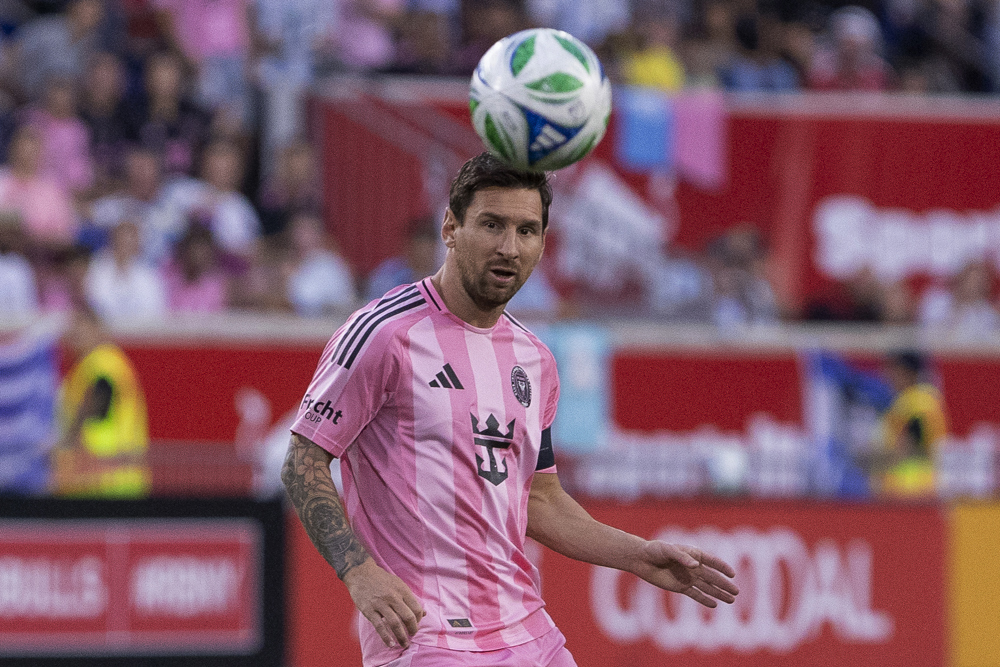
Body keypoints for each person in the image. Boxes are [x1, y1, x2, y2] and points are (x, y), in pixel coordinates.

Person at [281, 152, 739, 667]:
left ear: (543, 242)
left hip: (528, 632)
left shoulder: (535, 359)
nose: (509, 247)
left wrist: (638, 555)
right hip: (425, 638)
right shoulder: (382, 334)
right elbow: (302, 460)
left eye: (527, 231)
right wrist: (359, 572)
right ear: (451, 228)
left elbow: (539, 499)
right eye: (492, 225)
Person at [50, 307, 151, 498]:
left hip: (104, 479)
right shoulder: (92, 365)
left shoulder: (103, 361)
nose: (75, 332)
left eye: (82, 325)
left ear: (99, 329)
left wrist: (67, 442)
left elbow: (98, 397)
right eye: (72, 326)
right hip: (108, 479)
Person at [862, 350, 948, 498]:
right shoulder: (913, 400)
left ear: (908, 372)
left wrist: (867, 461)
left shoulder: (917, 404)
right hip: (910, 486)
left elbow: (907, 449)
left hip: (912, 488)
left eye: (893, 370)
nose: (887, 376)